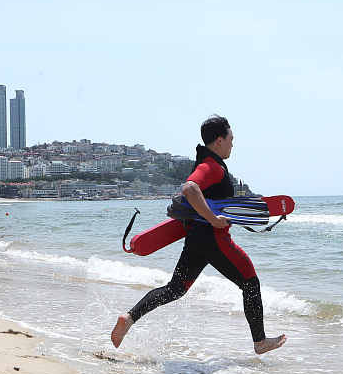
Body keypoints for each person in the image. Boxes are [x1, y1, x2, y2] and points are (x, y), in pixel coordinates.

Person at [111, 115, 287, 355]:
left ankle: (129, 318)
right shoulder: (211, 166)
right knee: (251, 283)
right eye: (231, 139)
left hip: (196, 240)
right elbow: (190, 188)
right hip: (214, 240)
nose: (233, 144)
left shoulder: (206, 162)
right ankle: (260, 341)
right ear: (219, 141)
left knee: (175, 289)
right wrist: (215, 220)